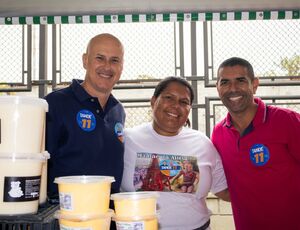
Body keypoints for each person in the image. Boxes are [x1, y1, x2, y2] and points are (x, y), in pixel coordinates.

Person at [121, 76, 230, 230]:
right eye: (168, 98)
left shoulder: (203, 144)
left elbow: (223, 190)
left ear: (189, 109)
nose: (175, 106)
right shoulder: (128, 139)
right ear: (153, 101)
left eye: (183, 102)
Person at [211, 57, 300, 230]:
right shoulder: (218, 133)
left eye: (241, 80)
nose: (233, 88)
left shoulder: (286, 120)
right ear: (218, 88)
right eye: (225, 82)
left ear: (255, 84)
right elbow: (222, 184)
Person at [45, 33, 125, 202]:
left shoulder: (118, 110)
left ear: (121, 66)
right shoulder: (55, 104)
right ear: (85, 60)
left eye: (114, 60)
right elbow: (37, 164)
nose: (107, 66)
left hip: (106, 217)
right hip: (66, 216)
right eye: (100, 58)